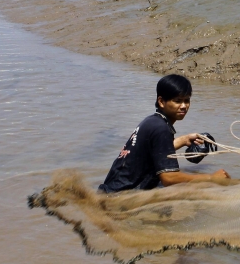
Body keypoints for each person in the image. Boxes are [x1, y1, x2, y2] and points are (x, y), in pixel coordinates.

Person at [99, 74, 230, 193]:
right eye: (178, 101)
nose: (184, 106)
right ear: (161, 102)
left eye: (187, 100)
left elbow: (154, 151)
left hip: (109, 192)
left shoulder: (152, 121)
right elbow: (168, 178)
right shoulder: (161, 128)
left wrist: (184, 140)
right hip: (121, 197)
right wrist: (211, 178)